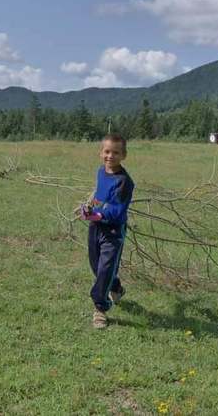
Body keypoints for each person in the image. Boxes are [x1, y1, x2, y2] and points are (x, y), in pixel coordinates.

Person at [78, 134, 134, 329]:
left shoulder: (124, 182)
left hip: (112, 230)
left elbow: (117, 210)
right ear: (100, 152)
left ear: (123, 155)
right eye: (107, 151)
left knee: (105, 269)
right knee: (96, 265)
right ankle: (116, 287)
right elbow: (99, 196)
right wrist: (89, 209)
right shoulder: (101, 172)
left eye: (116, 152)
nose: (110, 156)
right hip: (96, 228)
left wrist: (99, 215)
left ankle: (100, 308)